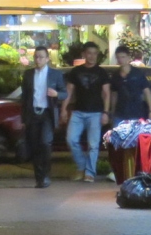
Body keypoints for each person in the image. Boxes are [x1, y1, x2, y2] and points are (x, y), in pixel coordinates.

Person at [63, 41, 111, 183]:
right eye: (89, 53)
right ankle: (81, 166)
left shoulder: (102, 72)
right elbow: (68, 92)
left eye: (95, 53)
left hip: (96, 113)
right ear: (84, 54)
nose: (92, 56)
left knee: (93, 145)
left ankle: (90, 173)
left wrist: (106, 112)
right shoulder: (75, 71)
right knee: (71, 139)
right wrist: (63, 109)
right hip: (78, 112)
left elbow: (107, 93)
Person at [20, 45, 67, 189]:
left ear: (47, 59)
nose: (38, 60)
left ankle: (46, 175)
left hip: (47, 113)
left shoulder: (55, 74)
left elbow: (65, 93)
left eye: (41, 57)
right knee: (35, 146)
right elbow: (24, 97)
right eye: (36, 57)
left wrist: (56, 94)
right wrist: (24, 118)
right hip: (33, 113)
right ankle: (39, 177)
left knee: (45, 143)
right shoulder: (28, 74)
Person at [110, 46, 151, 124]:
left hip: (136, 114)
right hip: (119, 114)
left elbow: (147, 91)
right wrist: (112, 112)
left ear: (128, 57)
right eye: (118, 57)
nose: (121, 60)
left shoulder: (137, 73)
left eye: (123, 57)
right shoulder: (115, 75)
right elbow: (114, 95)